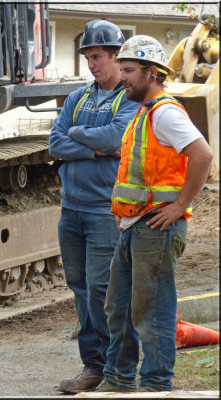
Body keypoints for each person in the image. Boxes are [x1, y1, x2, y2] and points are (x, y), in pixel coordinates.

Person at [96, 35, 213, 393]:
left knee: (153, 313)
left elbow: (203, 155)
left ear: (152, 74)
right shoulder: (144, 113)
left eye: (129, 70)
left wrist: (179, 206)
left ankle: (156, 384)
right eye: (122, 70)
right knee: (119, 309)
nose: (123, 77)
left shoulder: (164, 112)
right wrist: (125, 212)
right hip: (136, 226)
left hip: (157, 229)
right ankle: (119, 378)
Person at [49, 20, 139, 394]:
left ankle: (120, 370)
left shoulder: (129, 99)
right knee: (81, 290)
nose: (92, 64)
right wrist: (92, 146)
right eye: (87, 57)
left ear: (117, 56)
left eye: (98, 57)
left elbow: (117, 138)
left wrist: (78, 136)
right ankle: (93, 366)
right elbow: (55, 143)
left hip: (105, 210)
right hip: (71, 210)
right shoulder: (78, 98)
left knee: (104, 290)